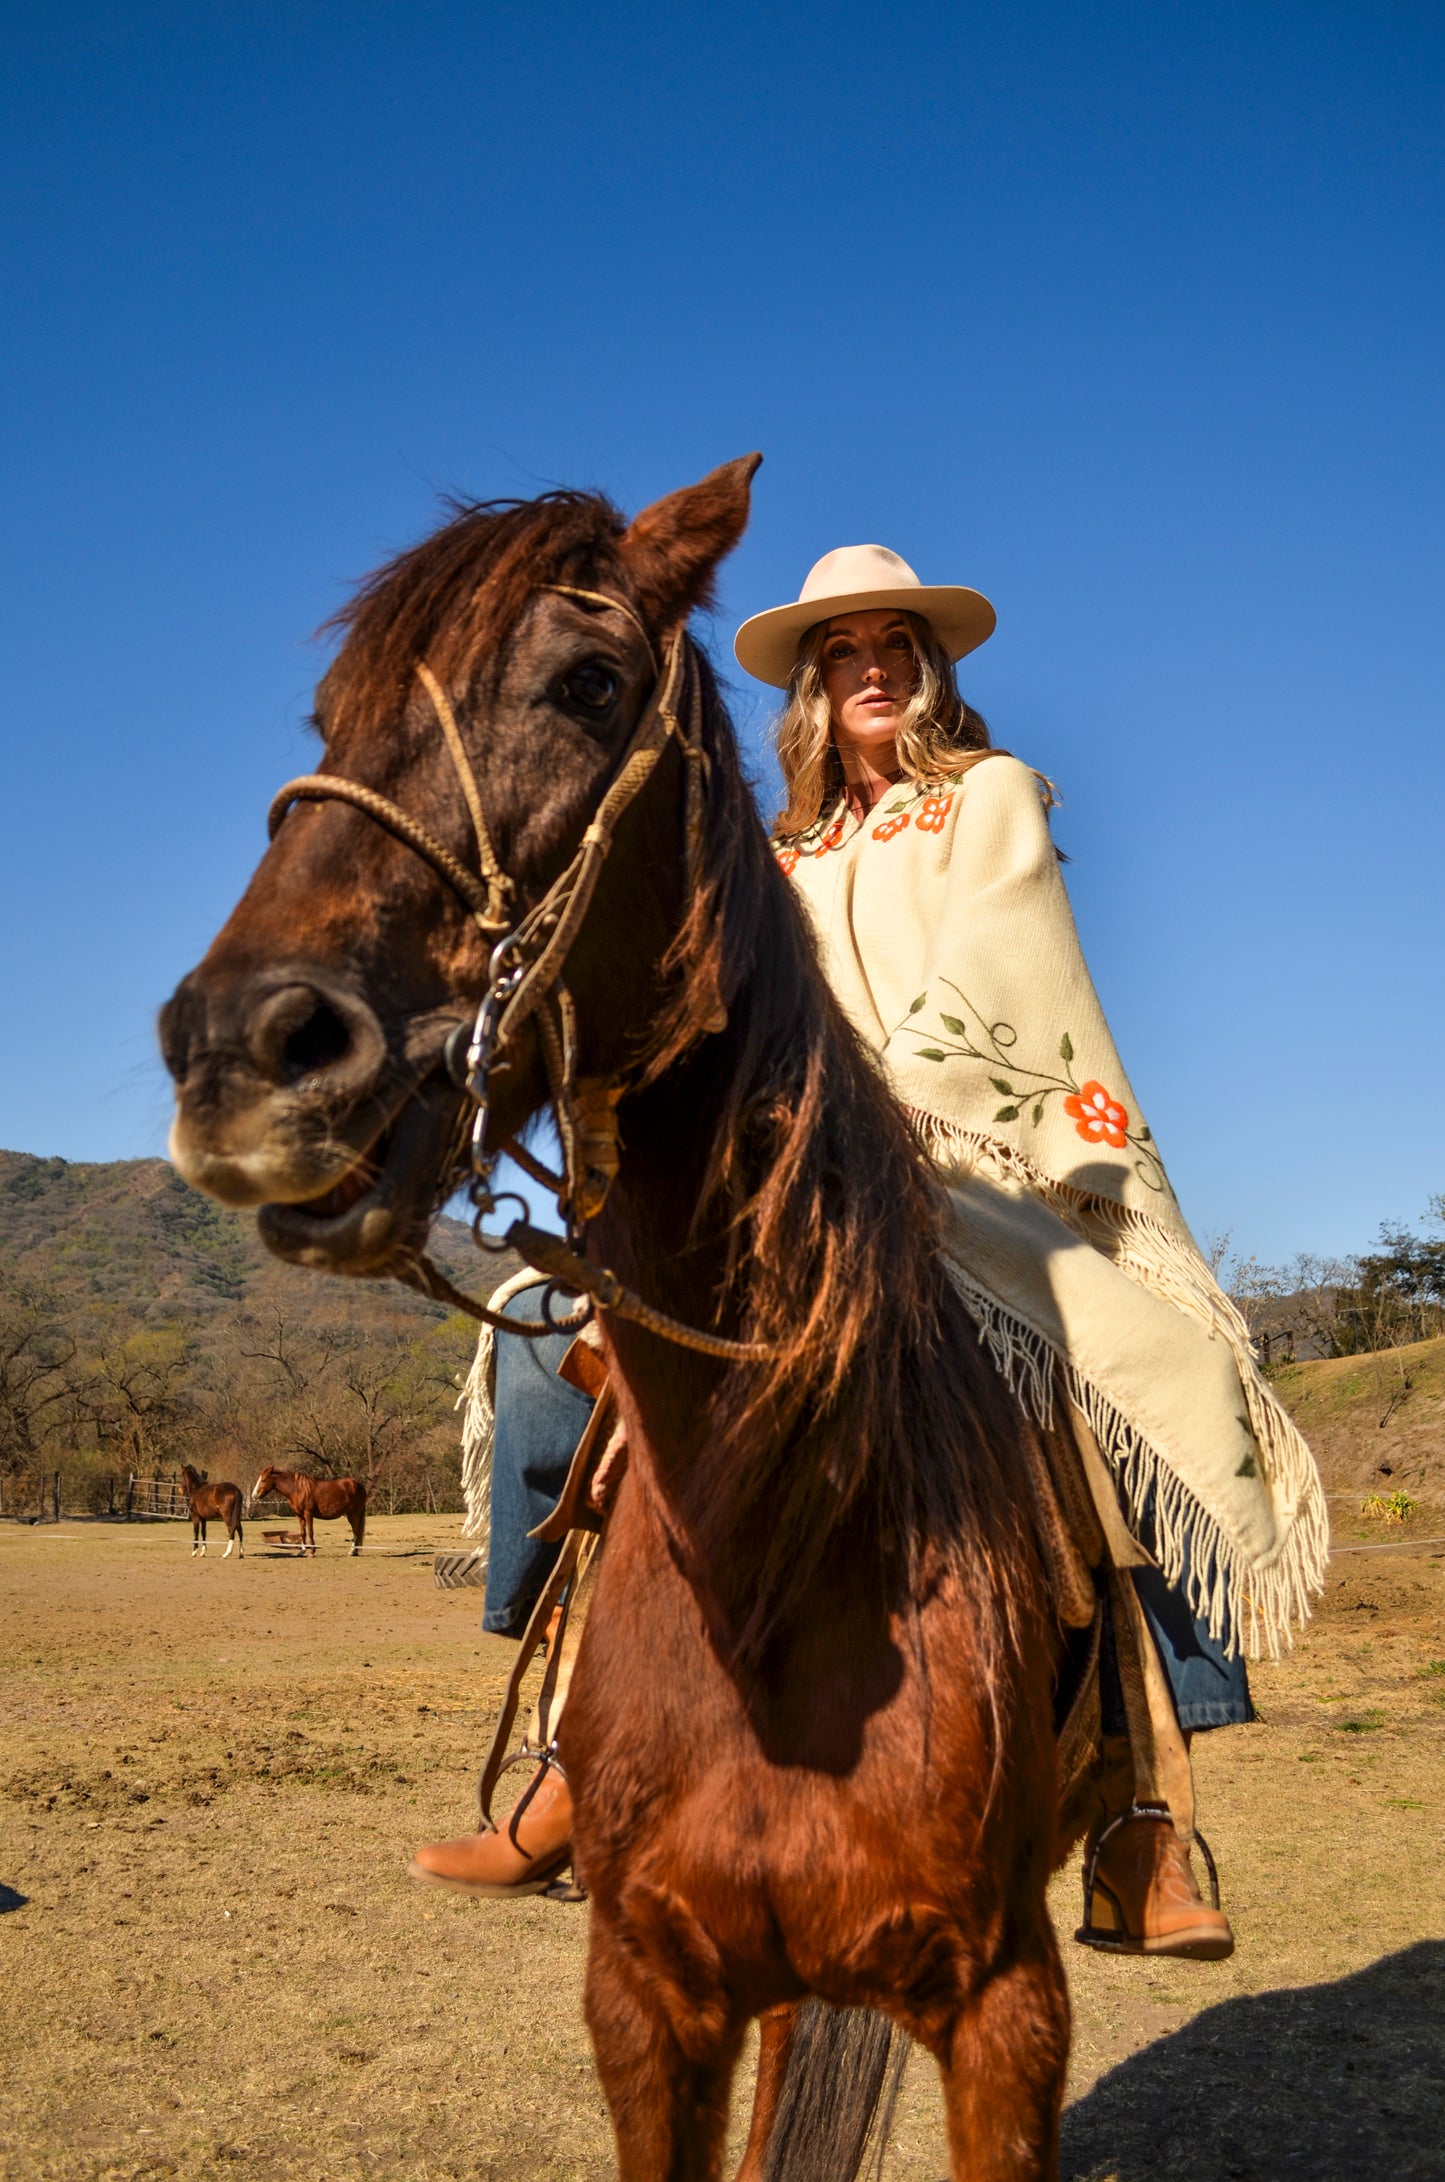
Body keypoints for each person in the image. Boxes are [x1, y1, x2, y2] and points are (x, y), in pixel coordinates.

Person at [411, 543, 1328, 1957]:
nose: (872, 666)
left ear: (928, 664)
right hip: (769, 1177)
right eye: (842, 651)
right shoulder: (770, 856)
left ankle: (1149, 1807)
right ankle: (568, 1751)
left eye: (895, 642)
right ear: (811, 686)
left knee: (1135, 1373)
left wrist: (863, 1131)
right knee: (551, 1334)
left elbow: (998, 990)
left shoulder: (990, 800)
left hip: (965, 1160)